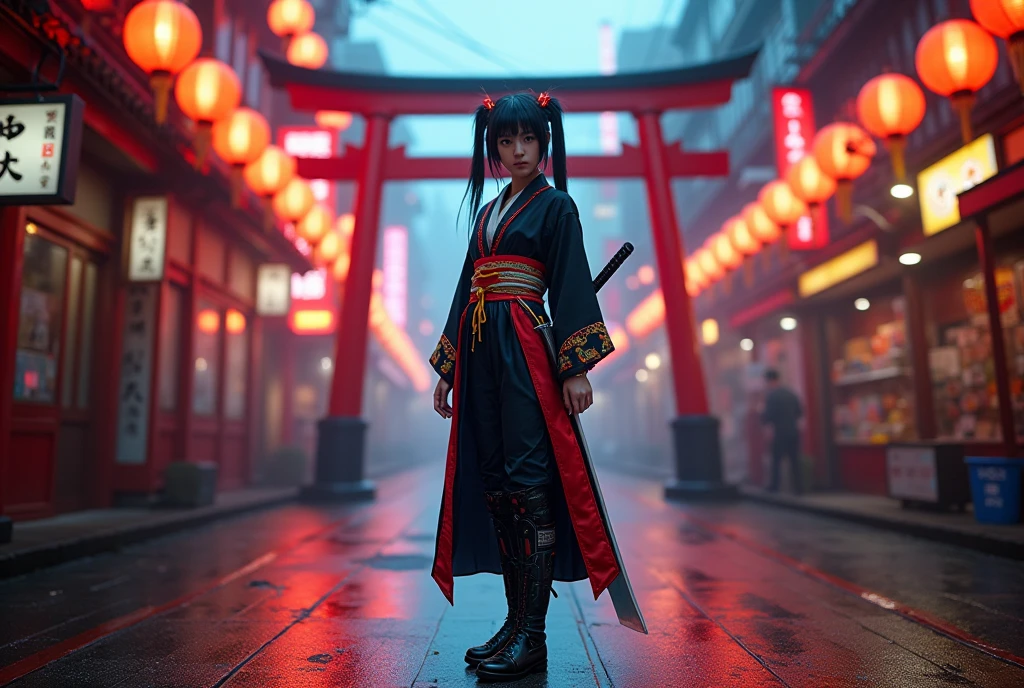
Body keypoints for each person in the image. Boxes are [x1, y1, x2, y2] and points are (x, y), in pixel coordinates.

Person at [428, 91, 620, 683]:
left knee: (531, 482)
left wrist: (575, 367)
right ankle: (514, 624)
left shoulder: (557, 207)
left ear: (545, 143)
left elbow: (567, 286)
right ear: (493, 148)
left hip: (527, 352)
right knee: (499, 484)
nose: (518, 151)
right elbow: (468, 288)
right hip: (484, 351)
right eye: (506, 141)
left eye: (528, 140)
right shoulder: (486, 214)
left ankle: (532, 636)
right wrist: (448, 367)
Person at [761, 368, 804, 495]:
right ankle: (798, 488)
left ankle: (775, 486)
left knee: (776, 461)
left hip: (779, 433)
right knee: (794, 460)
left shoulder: (772, 396)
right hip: (793, 431)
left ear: (770, 381)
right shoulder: (791, 394)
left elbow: (768, 416)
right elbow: (800, 412)